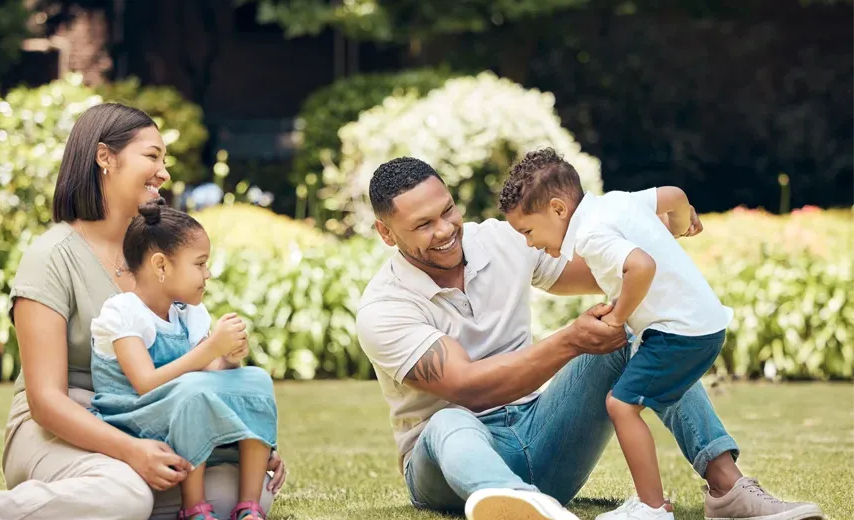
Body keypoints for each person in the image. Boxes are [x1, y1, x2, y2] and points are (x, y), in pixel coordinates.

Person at [0, 103, 284, 520]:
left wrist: (242, 431)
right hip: (60, 429)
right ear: (105, 158)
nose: (164, 173)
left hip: (152, 417)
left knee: (244, 493)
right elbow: (45, 402)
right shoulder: (52, 256)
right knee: (124, 493)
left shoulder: (159, 254)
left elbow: (196, 361)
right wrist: (131, 452)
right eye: (152, 157)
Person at [353, 155, 824, 520]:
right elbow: (468, 387)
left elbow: (596, 269)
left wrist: (645, 242)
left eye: (447, 211)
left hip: (544, 432)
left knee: (647, 341)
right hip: (447, 464)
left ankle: (728, 489)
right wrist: (571, 340)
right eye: (423, 225)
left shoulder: (500, 239)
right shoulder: (384, 307)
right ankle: (519, 505)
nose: (445, 231)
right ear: (386, 233)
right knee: (446, 422)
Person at [88, 199, 279, 520]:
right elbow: (145, 383)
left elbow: (210, 371)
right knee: (193, 389)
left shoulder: (189, 313)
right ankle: (194, 508)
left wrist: (228, 358)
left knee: (255, 378)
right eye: (200, 263)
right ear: (161, 266)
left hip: (181, 410)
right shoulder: (122, 312)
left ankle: (249, 505)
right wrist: (210, 349)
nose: (209, 273)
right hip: (132, 418)